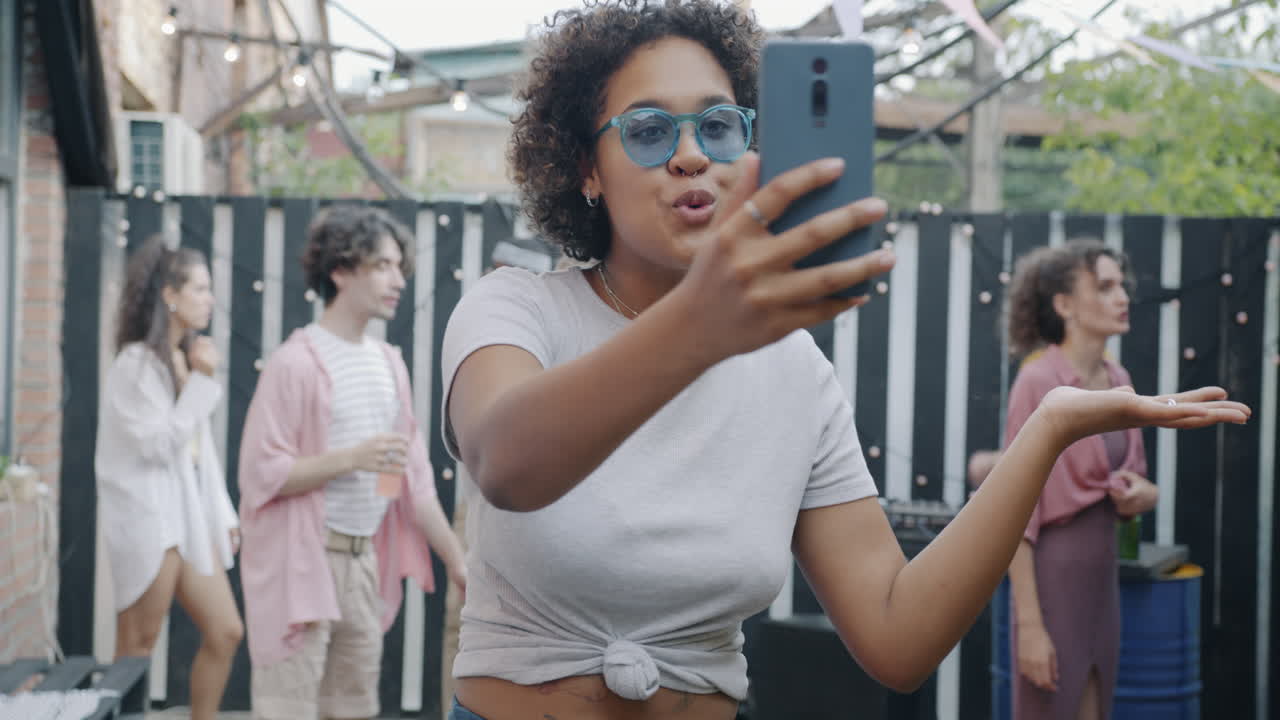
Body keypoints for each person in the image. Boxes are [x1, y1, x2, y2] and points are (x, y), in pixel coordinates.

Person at [439, 3, 1249, 720]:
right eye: (649, 131)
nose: (692, 156)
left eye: (719, 125)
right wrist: (706, 321)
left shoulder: (792, 369)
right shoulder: (516, 309)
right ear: (584, 168)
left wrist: (1046, 432)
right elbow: (510, 463)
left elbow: (898, 641)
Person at [236, 205, 467, 720]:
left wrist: (457, 561)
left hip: (364, 565)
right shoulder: (294, 363)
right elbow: (260, 476)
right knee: (288, 710)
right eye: (383, 265)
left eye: (398, 267)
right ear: (340, 270)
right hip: (302, 562)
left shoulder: (389, 366)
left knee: (353, 709)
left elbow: (410, 481)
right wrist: (352, 459)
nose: (398, 280)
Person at [1003, 240, 1158, 720]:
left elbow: (1137, 484)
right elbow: (1013, 514)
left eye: (1121, 285)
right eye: (1105, 286)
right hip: (1052, 580)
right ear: (1064, 304)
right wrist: (1029, 625)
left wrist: (1143, 497)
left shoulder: (1119, 379)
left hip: (1103, 582)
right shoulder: (1037, 381)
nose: (1122, 297)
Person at [95, 235, 243, 720]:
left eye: (209, 289)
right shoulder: (136, 365)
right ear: (170, 295)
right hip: (150, 522)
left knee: (225, 631)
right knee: (137, 645)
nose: (209, 300)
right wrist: (202, 383)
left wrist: (223, 513)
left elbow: (198, 458)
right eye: (199, 289)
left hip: (189, 521)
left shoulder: (183, 358)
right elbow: (159, 446)